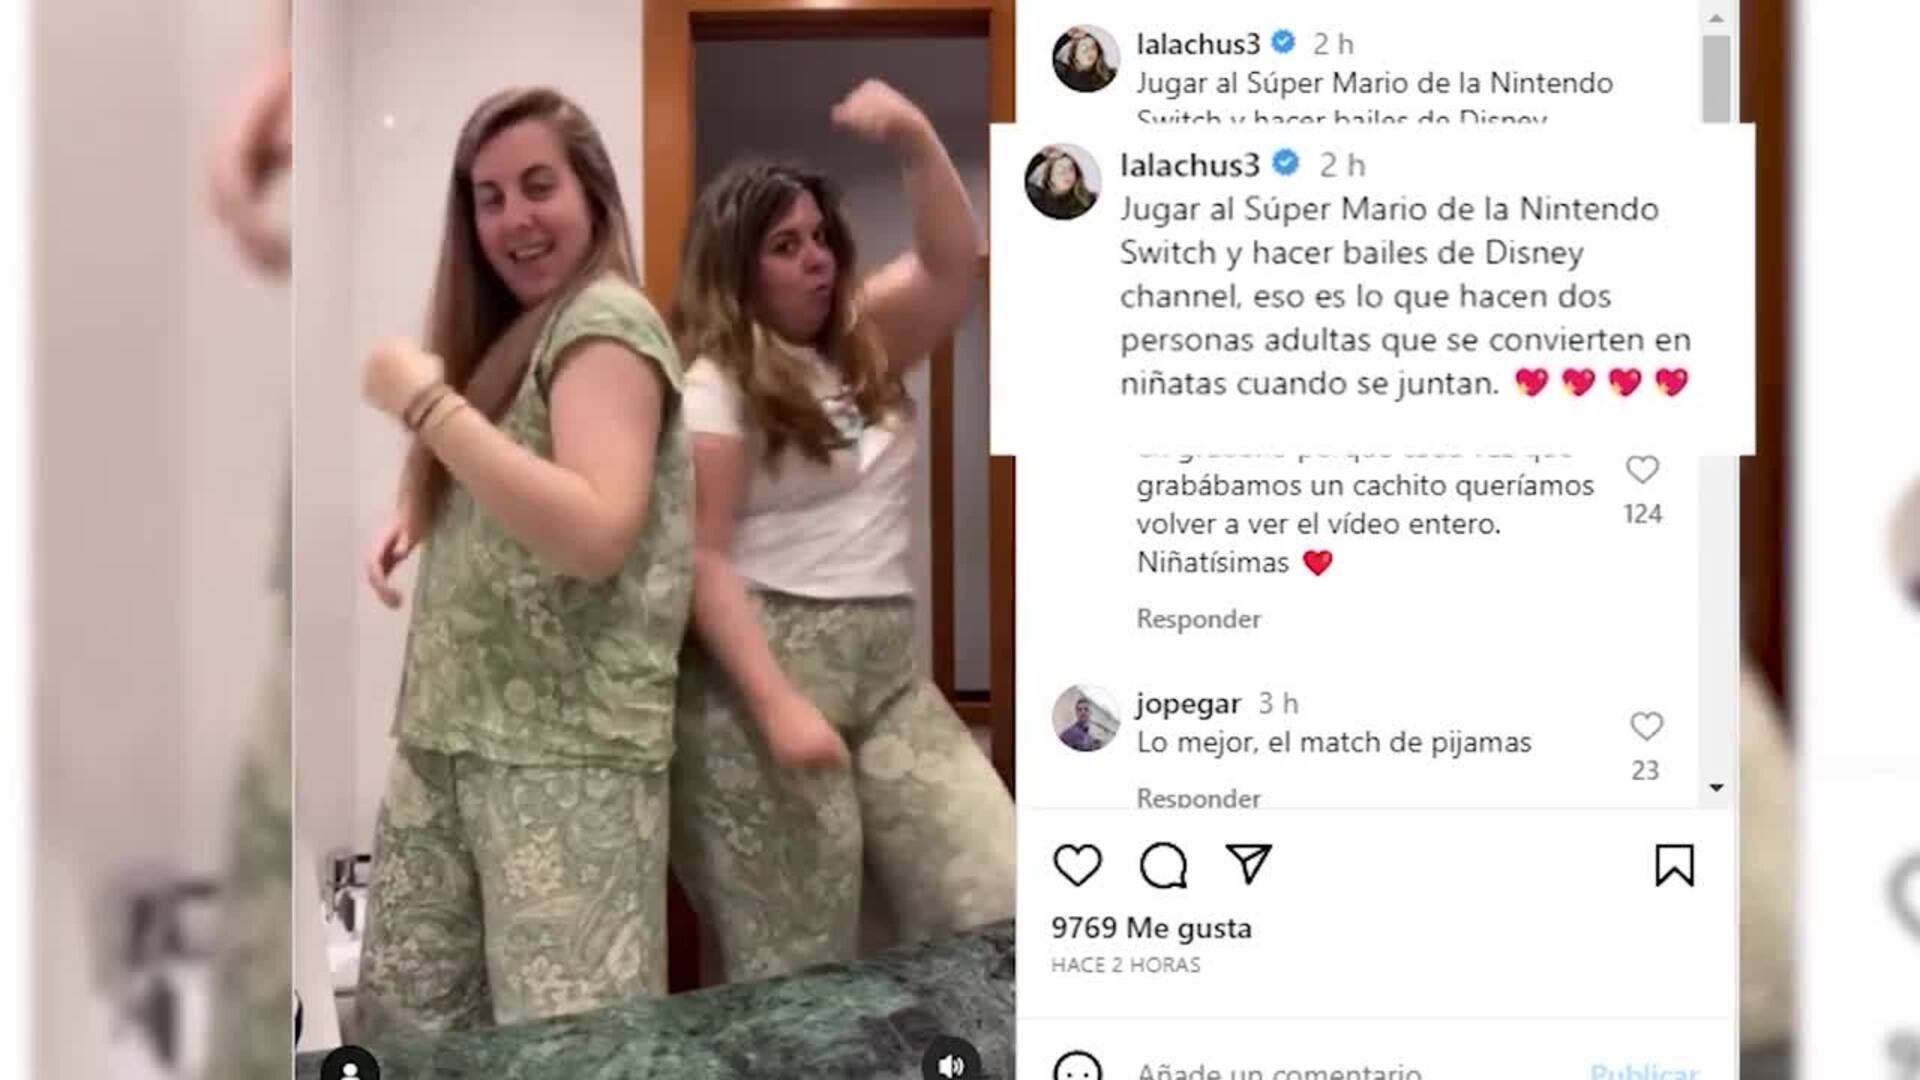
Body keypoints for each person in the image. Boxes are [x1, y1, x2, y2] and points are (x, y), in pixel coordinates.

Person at [352, 86, 692, 1034]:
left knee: (568, 1049)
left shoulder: (604, 322)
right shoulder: (524, 330)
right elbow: (517, 474)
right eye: (489, 197)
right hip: (456, 736)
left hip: (564, 761)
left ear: (593, 193)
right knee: (418, 1029)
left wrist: (427, 406)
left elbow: (595, 531)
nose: (513, 219)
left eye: (539, 186)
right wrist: (421, 505)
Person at [668, 78, 1015, 983]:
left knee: (996, 889)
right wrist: (779, 705)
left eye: (820, 237)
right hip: (766, 676)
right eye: (785, 247)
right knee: (801, 962)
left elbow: (951, 262)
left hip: (887, 672)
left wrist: (913, 136)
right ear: (738, 268)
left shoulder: (865, 342)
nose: (816, 260)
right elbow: (703, 557)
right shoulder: (715, 382)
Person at [1026, 147, 1098, 221]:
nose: (1067, 175)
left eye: (1071, 169)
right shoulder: (1036, 197)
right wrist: (1041, 156)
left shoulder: (1087, 200)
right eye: (1061, 171)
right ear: (1050, 177)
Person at [1053, 28, 1117, 93]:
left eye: (1093, 47)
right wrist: (1067, 36)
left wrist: (1086, 35)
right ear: (1074, 55)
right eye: (1084, 48)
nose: (1090, 52)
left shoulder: (1108, 77)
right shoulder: (1061, 73)